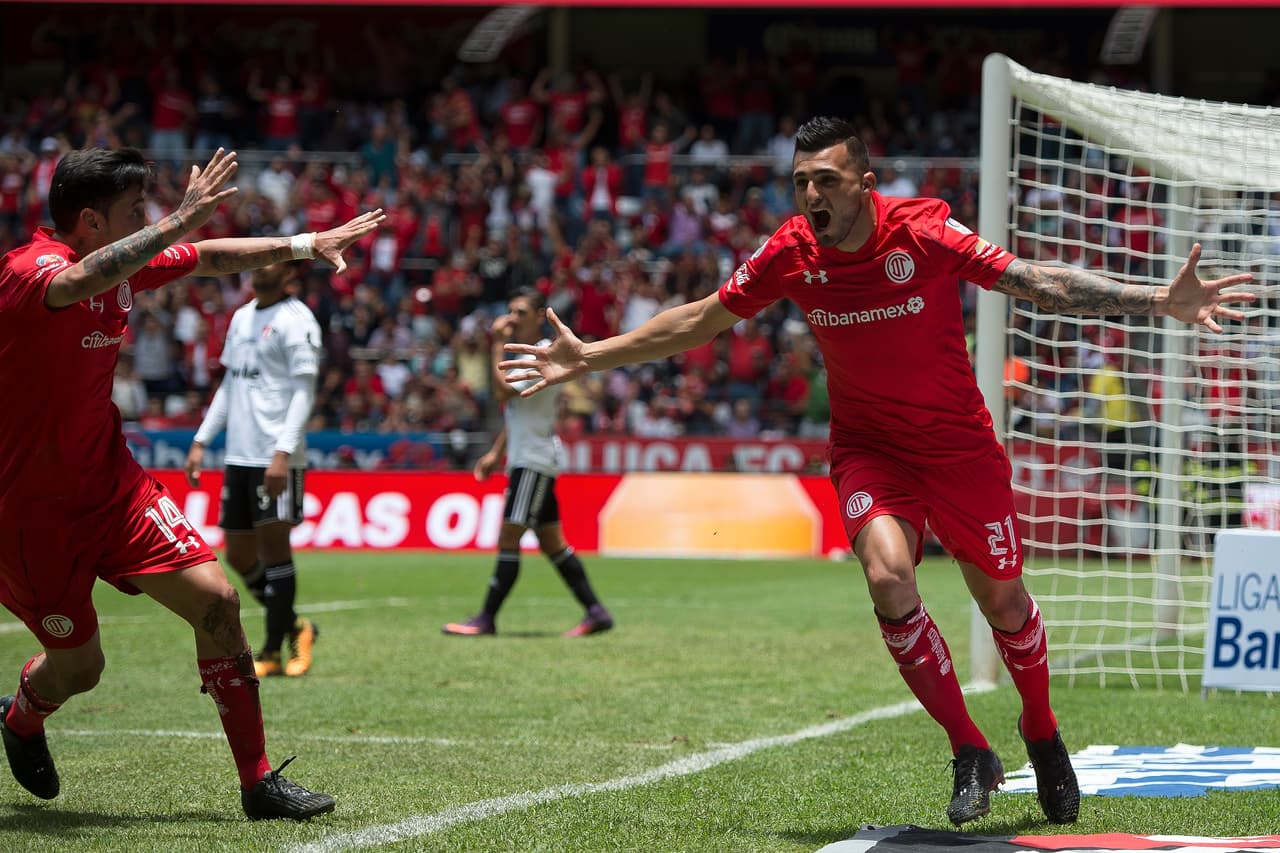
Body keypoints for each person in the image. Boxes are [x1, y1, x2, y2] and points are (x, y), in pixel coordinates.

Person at [496, 117, 1256, 827]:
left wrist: (1158, 298)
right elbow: (700, 318)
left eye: (827, 180)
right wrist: (589, 354)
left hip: (959, 449)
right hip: (870, 450)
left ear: (865, 183)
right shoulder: (791, 252)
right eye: (801, 182)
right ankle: (968, 745)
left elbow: (1034, 280)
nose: (811, 196)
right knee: (889, 577)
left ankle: (1041, 727)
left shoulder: (922, 232)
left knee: (1003, 598)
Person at [0, 146, 383, 819]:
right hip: (32, 516)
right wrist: (178, 218)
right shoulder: (30, 272)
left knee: (216, 599)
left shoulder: (119, 262)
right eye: (134, 212)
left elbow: (206, 257)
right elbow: (77, 281)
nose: (147, 220)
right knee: (81, 668)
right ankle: (23, 715)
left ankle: (257, 781)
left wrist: (304, 242)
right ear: (90, 220)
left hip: (111, 488)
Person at [442, 288, 614, 639]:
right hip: (530, 456)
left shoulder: (544, 356)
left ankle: (487, 618)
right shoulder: (527, 355)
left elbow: (504, 392)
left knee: (509, 535)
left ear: (540, 316)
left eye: (521, 312)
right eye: (510, 311)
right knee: (553, 544)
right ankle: (596, 612)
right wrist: (496, 453)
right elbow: (519, 412)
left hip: (533, 462)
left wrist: (495, 344)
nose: (513, 318)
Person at [184, 262, 323, 679]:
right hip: (239, 456)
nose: (262, 265)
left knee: (275, 550)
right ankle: (297, 625)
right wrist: (201, 439)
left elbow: (304, 391)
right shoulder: (243, 316)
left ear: (290, 278)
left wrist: (283, 453)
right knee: (239, 554)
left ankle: (273, 650)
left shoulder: (298, 321)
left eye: (273, 261)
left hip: (273, 456)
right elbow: (231, 384)